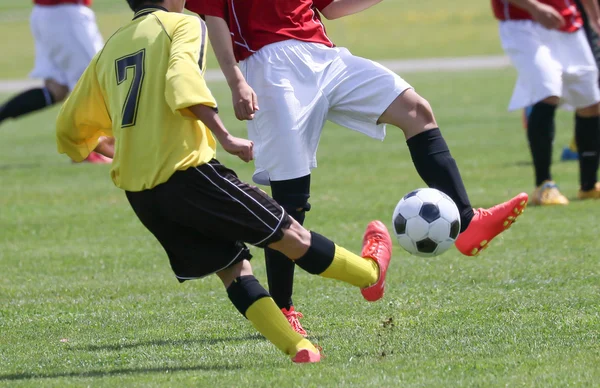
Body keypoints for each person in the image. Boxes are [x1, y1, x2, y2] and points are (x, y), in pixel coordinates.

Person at [55, 0, 395, 364]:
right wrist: (226, 137)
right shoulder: (180, 25)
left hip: (142, 195)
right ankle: (369, 274)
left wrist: (127, 149)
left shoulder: (111, 47)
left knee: (234, 268)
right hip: (189, 174)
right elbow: (182, 84)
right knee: (290, 235)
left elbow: (69, 128)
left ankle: (300, 349)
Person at [185, 0, 529, 337]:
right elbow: (214, 18)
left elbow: (330, 7)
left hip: (326, 57)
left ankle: (467, 223)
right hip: (270, 67)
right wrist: (235, 81)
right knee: (291, 199)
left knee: (416, 111)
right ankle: (282, 309)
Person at [492, 0, 600, 205]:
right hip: (522, 23)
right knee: (547, 91)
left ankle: (589, 185)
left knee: (591, 101)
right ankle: (544, 184)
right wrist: (535, 7)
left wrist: (595, 16)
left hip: (568, 22)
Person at [0, 0, 109, 163]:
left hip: (49, 13)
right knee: (95, 80)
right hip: (65, 13)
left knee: (57, 88)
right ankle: (87, 150)